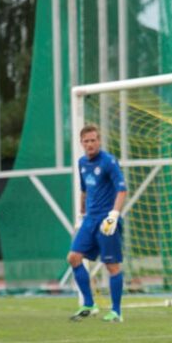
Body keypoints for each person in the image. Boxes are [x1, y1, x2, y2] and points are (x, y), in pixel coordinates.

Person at [68, 124, 128, 323]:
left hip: (106, 221)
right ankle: (89, 304)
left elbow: (122, 190)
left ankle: (116, 312)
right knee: (74, 257)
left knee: (112, 266)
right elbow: (85, 190)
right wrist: (81, 213)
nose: (90, 144)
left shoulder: (109, 161)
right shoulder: (82, 163)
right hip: (89, 220)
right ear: (81, 143)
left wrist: (113, 215)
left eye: (93, 140)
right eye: (86, 141)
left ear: (99, 141)